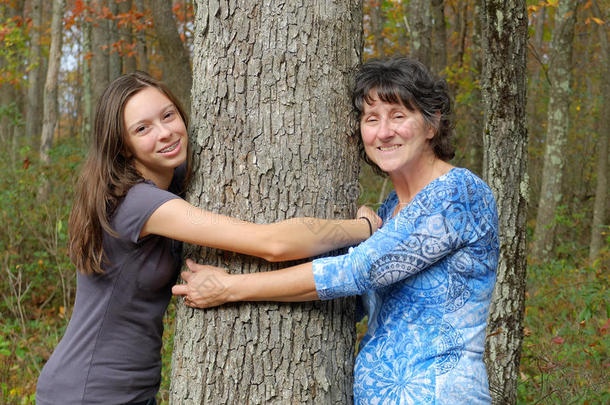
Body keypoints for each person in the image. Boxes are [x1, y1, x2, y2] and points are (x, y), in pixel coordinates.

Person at [35, 71, 380, 405]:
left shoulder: (162, 180)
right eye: (142, 129)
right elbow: (272, 244)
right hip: (90, 393)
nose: (166, 133)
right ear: (123, 147)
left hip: (125, 390)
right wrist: (362, 227)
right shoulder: (140, 202)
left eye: (168, 115)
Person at [174, 57, 499, 404]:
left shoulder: (458, 192)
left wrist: (229, 287)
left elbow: (356, 271)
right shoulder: (390, 211)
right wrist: (361, 229)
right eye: (371, 119)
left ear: (432, 124)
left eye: (399, 116)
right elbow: (353, 303)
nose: (384, 131)